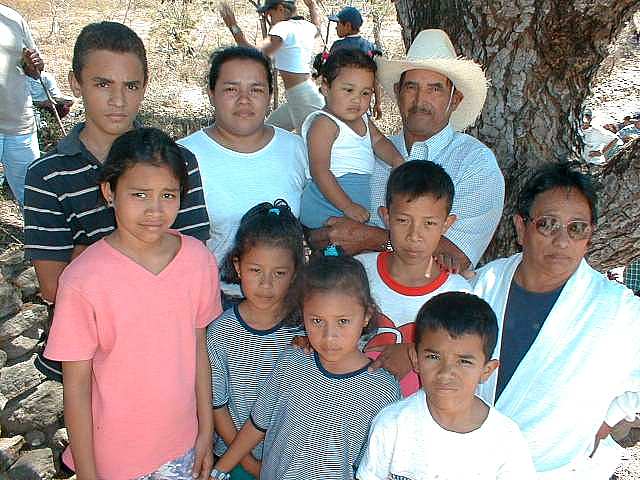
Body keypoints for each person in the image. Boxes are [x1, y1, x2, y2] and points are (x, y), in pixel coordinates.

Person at [43, 128, 221, 480]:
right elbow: (76, 387)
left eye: (168, 195)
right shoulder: (83, 279)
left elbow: (199, 351)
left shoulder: (197, 260)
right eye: (139, 194)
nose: (155, 209)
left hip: (182, 448)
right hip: (113, 459)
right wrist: (88, 474)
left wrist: (205, 430)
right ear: (109, 191)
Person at [472, 163, 640, 477]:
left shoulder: (616, 309)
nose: (562, 241)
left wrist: (612, 415)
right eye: (548, 224)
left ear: (589, 235)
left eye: (577, 228)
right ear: (521, 228)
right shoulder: (483, 285)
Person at [24, 21, 209, 305]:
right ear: (75, 83)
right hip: (90, 328)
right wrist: (154, 248)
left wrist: (83, 252)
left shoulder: (178, 161)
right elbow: (54, 287)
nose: (118, 100)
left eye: (131, 86)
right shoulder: (47, 175)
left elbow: (192, 265)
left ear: (144, 86)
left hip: (171, 321)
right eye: (103, 84)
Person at [314, 29, 504, 275]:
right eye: (411, 87)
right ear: (397, 92)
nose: (420, 100)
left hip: (433, 299)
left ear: (455, 100)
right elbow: (326, 230)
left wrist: (370, 238)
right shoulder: (368, 151)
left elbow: (454, 257)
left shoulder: (475, 163)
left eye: (435, 89)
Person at [210, 256, 401, 480]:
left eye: (343, 321)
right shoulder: (292, 361)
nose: (329, 336)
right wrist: (219, 470)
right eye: (317, 321)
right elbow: (257, 425)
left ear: (367, 315)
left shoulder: (382, 390)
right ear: (303, 314)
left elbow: (378, 466)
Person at [357, 292, 536, 479]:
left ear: (487, 370)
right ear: (415, 359)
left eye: (464, 361)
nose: (446, 372)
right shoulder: (392, 423)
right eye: (433, 357)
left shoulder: (505, 439)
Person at [178, 46, 306, 298]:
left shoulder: (295, 149)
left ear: (270, 95)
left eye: (256, 90)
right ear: (211, 94)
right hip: (212, 301)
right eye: (231, 89)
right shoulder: (183, 156)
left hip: (285, 301)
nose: (244, 100)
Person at [207, 200, 305, 480]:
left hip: (291, 459)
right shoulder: (220, 332)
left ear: (295, 272)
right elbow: (217, 406)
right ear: (237, 266)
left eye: (279, 273)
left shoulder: (305, 331)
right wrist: (250, 464)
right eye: (255, 270)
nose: (266, 284)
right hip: (234, 460)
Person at [358, 160, 470, 396]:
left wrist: (413, 353)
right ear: (386, 216)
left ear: (447, 224)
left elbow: (465, 354)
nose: (414, 235)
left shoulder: (457, 294)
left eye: (429, 223)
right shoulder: (359, 272)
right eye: (403, 220)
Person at [299, 49, 403, 229]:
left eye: (365, 93)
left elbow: (378, 141)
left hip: (354, 200)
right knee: (336, 241)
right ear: (326, 87)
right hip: (327, 200)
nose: (357, 99)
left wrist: (397, 160)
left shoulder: (364, 120)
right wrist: (347, 206)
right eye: (348, 90)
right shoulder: (324, 124)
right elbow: (320, 170)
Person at [219, 0, 324, 132]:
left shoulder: (283, 27)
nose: (270, 19)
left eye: (270, 14)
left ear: (280, 9)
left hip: (302, 97)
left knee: (310, 141)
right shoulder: (306, 26)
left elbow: (254, 54)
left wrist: (233, 26)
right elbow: (318, 28)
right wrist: (312, 6)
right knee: (268, 130)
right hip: (301, 94)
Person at [0, 4, 44, 206]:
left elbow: (35, 71)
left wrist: (34, 64)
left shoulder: (13, 18)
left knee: (33, 198)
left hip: (19, 126)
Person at [327, 6, 382, 119]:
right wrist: (378, 102)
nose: (336, 27)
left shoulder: (338, 47)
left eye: (338, 24)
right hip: (362, 105)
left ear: (347, 26)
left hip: (341, 104)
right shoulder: (370, 47)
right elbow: (375, 78)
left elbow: (329, 77)